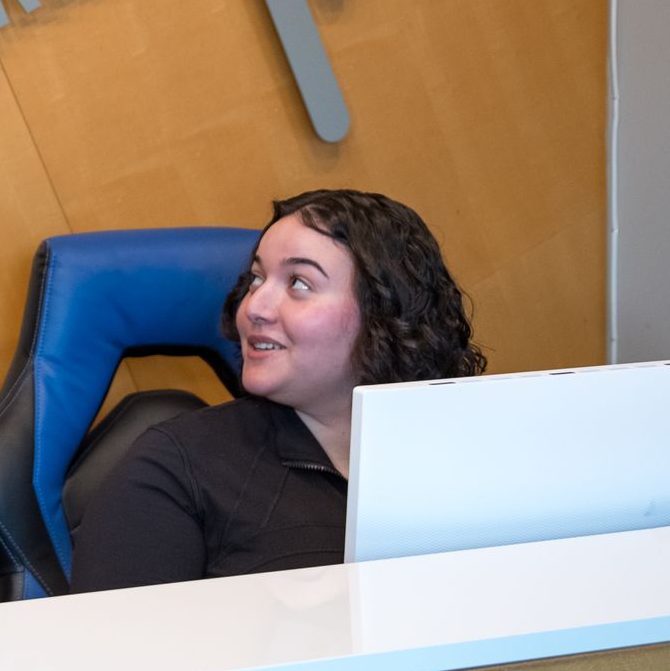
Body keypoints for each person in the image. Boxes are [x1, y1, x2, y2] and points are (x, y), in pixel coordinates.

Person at [69, 188, 485, 593]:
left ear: (385, 313)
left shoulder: (470, 456)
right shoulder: (172, 467)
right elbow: (118, 656)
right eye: (256, 279)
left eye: (299, 283)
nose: (253, 307)